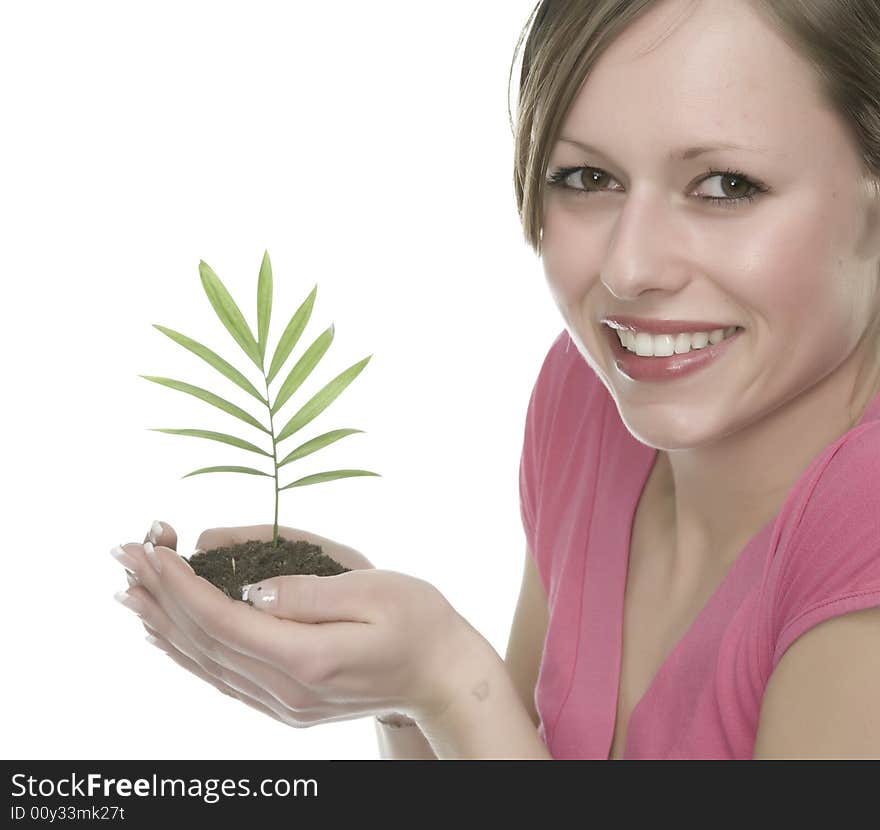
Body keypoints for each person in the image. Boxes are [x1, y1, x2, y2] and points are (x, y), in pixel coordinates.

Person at [110, 0, 880, 759]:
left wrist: (446, 676)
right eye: (585, 177)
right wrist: (401, 691)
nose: (629, 268)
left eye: (725, 186)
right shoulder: (590, 401)